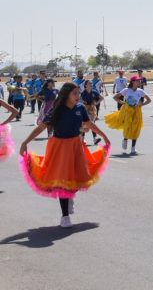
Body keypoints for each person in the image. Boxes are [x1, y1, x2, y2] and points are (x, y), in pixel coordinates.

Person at [18, 83, 111, 228]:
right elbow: (41, 127)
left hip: (76, 145)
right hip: (60, 147)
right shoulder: (57, 109)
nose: (78, 96)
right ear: (66, 94)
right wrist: (25, 142)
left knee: (76, 175)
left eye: (78, 93)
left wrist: (104, 136)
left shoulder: (80, 108)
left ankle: (69, 197)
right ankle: (65, 216)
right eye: (75, 93)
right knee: (62, 180)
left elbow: (89, 124)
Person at [104, 75, 151, 155]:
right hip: (127, 111)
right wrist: (123, 103)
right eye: (137, 81)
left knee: (136, 127)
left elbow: (149, 100)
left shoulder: (140, 91)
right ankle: (125, 139)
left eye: (139, 81)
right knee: (128, 126)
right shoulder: (126, 90)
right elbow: (115, 97)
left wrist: (140, 105)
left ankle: (133, 148)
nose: (139, 82)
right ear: (133, 82)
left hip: (137, 111)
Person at [80, 80, 103, 146]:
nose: (91, 84)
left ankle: (95, 138)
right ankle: (83, 138)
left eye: (91, 83)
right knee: (84, 123)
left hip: (92, 109)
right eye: (89, 83)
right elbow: (80, 100)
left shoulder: (94, 92)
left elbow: (101, 98)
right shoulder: (83, 93)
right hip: (85, 109)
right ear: (86, 85)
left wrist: (96, 103)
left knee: (92, 123)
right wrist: (83, 103)